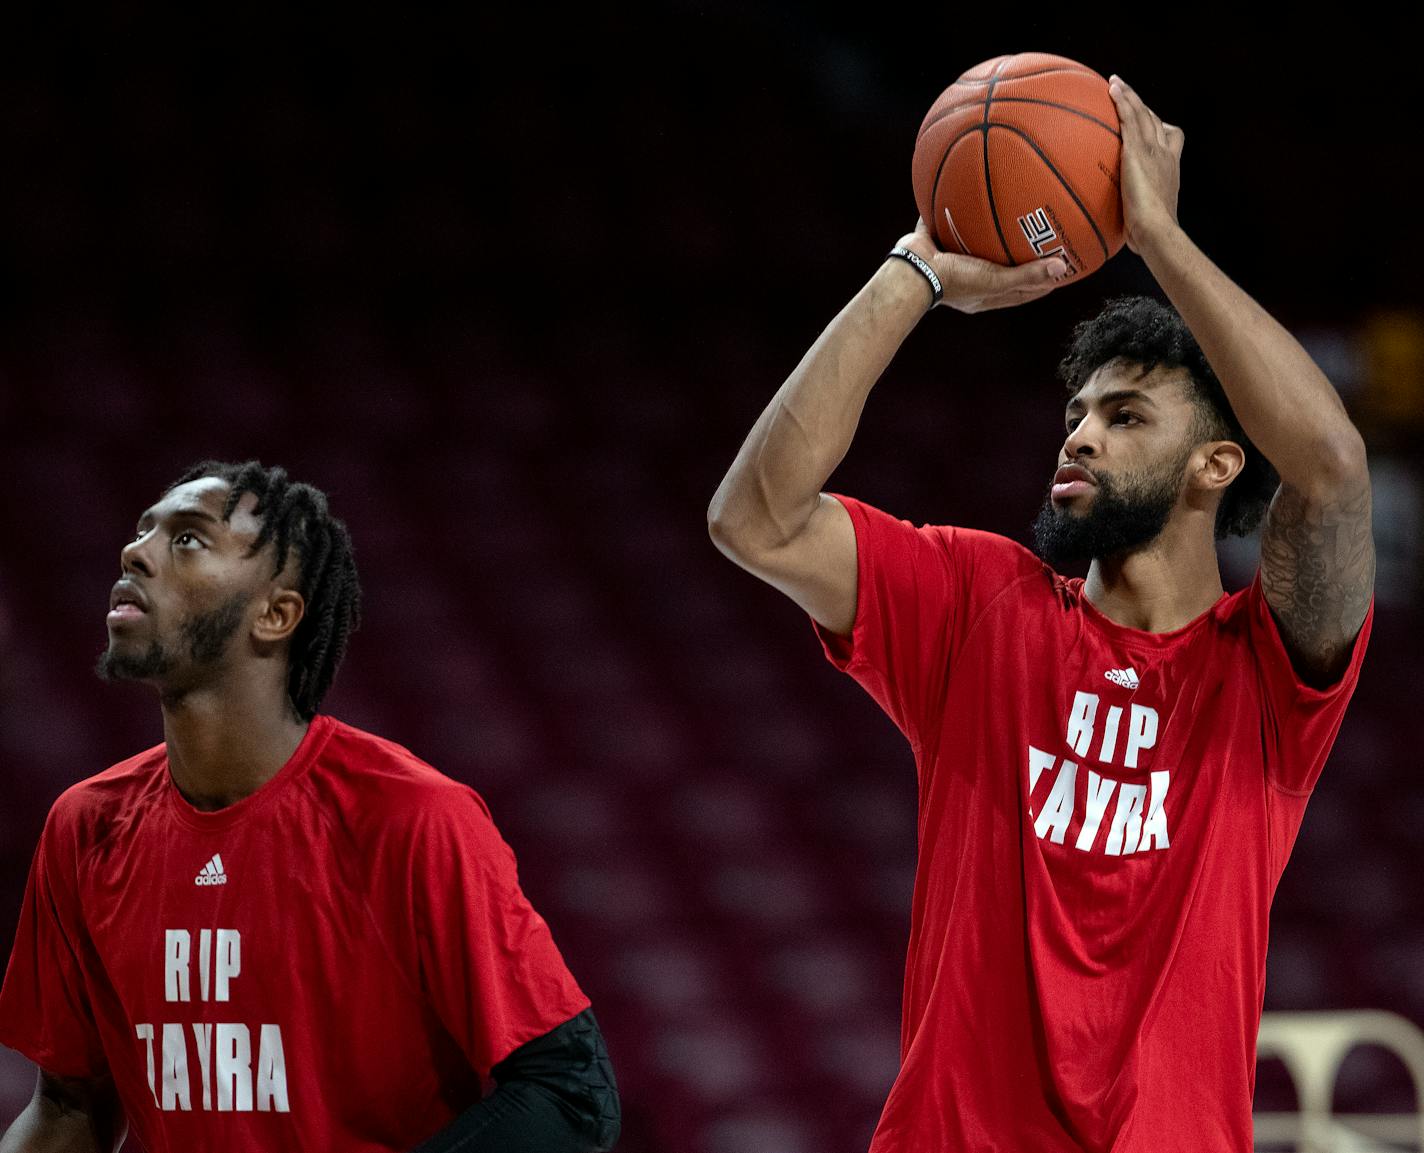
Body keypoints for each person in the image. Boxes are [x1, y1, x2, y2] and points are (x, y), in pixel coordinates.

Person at [707, 75, 1374, 1151]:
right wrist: (913, 272)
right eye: (1072, 412)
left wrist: (1153, 234)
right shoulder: (981, 601)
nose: (1076, 435)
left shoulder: (1266, 674)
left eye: (1121, 415)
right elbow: (755, 519)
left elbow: (1331, 469)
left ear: (1216, 462)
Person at [0, 460, 620, 1153]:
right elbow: (66, 1105)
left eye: (187, 538)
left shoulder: (412, 816)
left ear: (276, 614)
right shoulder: (86, 826)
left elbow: (570, 1092)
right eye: (143, 530)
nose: (134, 550)